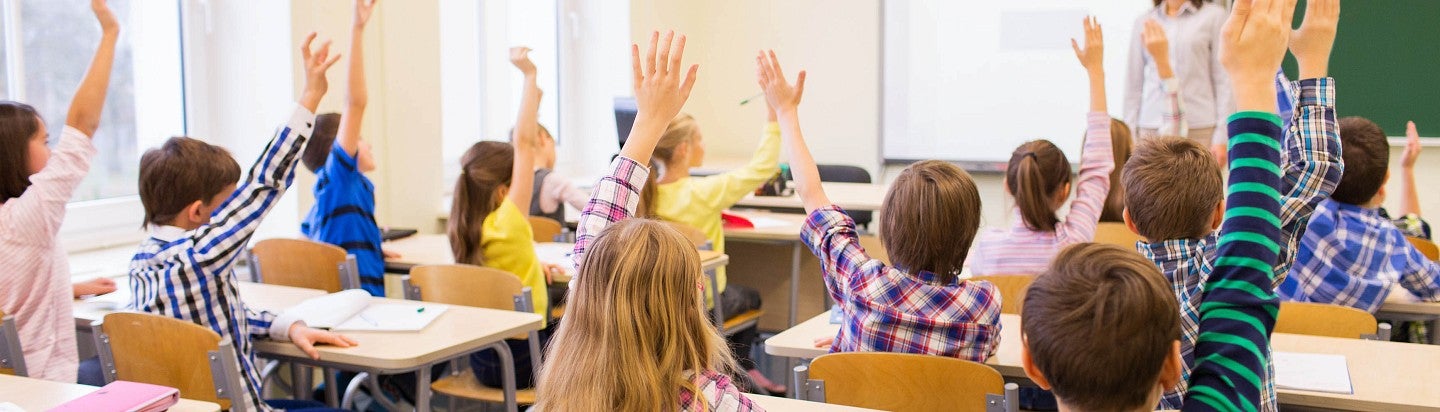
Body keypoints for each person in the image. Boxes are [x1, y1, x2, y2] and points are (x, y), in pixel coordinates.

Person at [1022, 0, 1293, 408]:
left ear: (1032, 364)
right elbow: (1242, 282)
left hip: (1191, 130)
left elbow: (1243, 277)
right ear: (1172, 365)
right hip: (1166, 130)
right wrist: (1256, 78)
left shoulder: (1210, 17)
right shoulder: (1143, 22)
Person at [1124, 0, 1342, 408]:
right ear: (1222, 213)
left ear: (1129, 220)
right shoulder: (1238, 263)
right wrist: (1309, 60)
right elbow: (1315, 166)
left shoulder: (1111, 294)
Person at [128, 33, 357, 411]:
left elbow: (217, 320)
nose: (235, 210)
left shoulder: (144, 263)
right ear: (197, 212)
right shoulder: (199, 256)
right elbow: (263, 184)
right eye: (227, 204)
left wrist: (287, 326)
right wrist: (310, 97)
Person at [535, 30, 761, 411]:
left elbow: (596, 235)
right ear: (688, 301)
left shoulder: (563, 392)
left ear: (590, 295)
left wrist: (649, 121)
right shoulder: (711, 400)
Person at [760, 49, 1002, 362]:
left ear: (889, 228)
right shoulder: (983, 305)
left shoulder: (863, 285)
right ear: (967, 234)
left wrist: (786, 110)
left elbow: (811, 194)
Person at [637, 56, 782, 394]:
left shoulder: (646, 195)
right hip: (702, 301)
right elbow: (762, 169)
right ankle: (743, 368)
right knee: (751, 294)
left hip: (656, 300)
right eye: (700, 139)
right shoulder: (704, 191)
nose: (704, 146)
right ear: (686, 150)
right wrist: (773, 115)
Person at [0, 0, 117, 383]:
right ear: (14, 152)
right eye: (43, 140)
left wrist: (64, 288)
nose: (52, 150)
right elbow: (82, 125)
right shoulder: (27, 218)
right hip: (46, 385)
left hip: (13, 385)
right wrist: (110, 35)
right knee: (128, 364)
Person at [447, 46, 567, 389]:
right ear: (503, 191)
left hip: (482, 361)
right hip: (525, 362)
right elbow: (525, 142)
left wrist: (531, 267)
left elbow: (501, 273)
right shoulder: (508, 222)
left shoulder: (465, 228)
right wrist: (529, 75)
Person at [970, 17, 1113, 276]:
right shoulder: (1071, 245)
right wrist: (1095, 71)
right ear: (1064, 191)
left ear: (1008, 185)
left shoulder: (987, 248)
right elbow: (1097, 168)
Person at [1280, 117, 1440, 314]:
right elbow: (1435, 286)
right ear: (1386, 178)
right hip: (1347, 340)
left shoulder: (1301, 213)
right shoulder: (1393, 242)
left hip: (1278, 335)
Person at [300, 0, 389, 297]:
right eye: (359, 138)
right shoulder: (340, 181)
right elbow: (356, 102)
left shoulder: (325, 200)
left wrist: (373, 247)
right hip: (362, 312)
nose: (368, 143)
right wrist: (357, 28)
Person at [1124, 0, 1231, 156]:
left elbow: (1224, 81)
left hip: (1199, 127)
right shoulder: (1144, 21)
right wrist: (1129, 135)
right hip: (1151, 127)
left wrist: (1222, 136)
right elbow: (1133, 84)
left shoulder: (1214, 17)